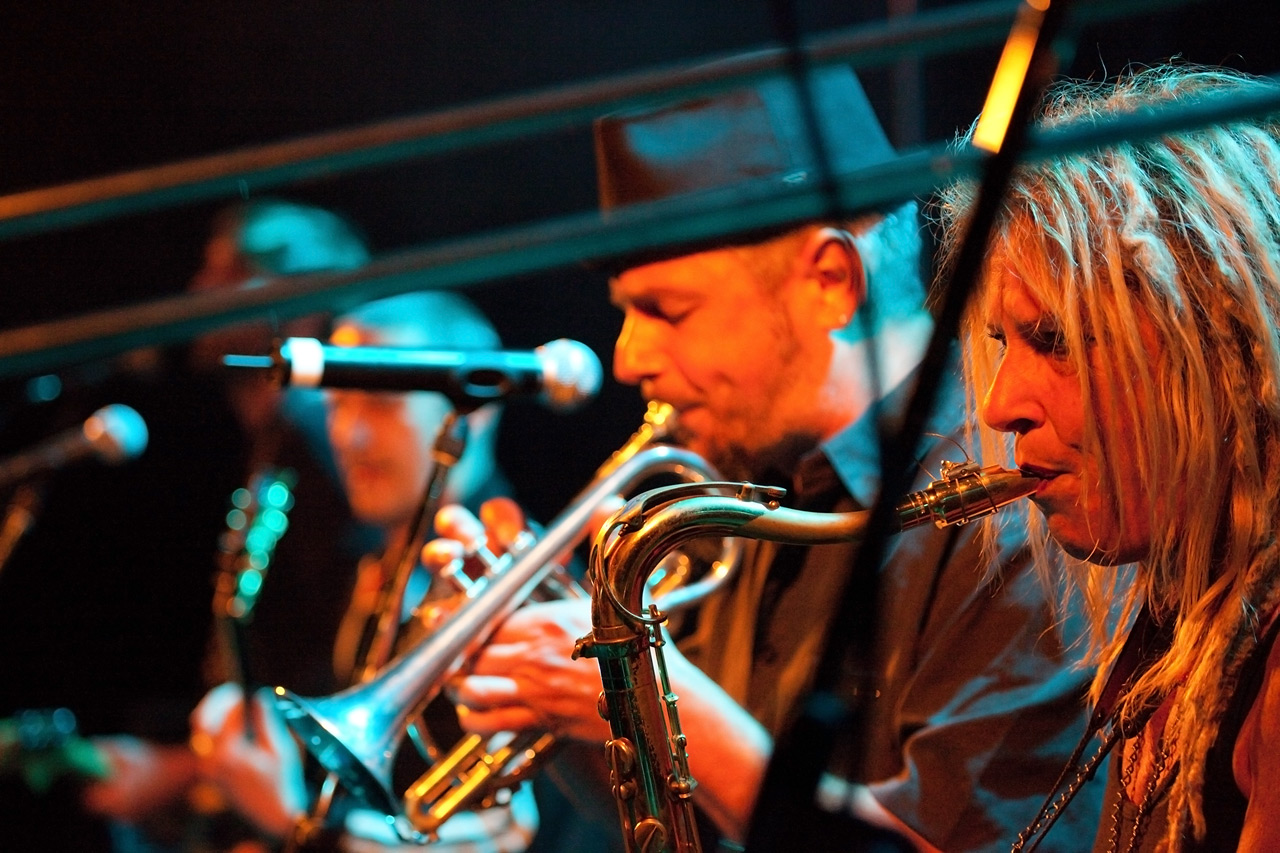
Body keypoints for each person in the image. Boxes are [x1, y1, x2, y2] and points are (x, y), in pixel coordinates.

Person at [448, 64, 1106, 852]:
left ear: (830, 280)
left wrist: (670, 704)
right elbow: (694, 818)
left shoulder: (1020, 496)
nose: (626, 358)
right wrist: (578, 687)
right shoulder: (748, 486)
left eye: (665, 310)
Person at [937, 64, 1280, 852]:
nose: (998, 405)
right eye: (1003, 342)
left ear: (1215, 345)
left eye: (1053, 339)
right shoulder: (1175, 629)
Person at [189, 288, 540, 853]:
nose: (348, 435)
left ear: (477, 409)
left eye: (379, 403)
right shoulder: (364, 568)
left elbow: (508, 835)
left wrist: (296, 826)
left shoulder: (525, 590)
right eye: (337, 405)